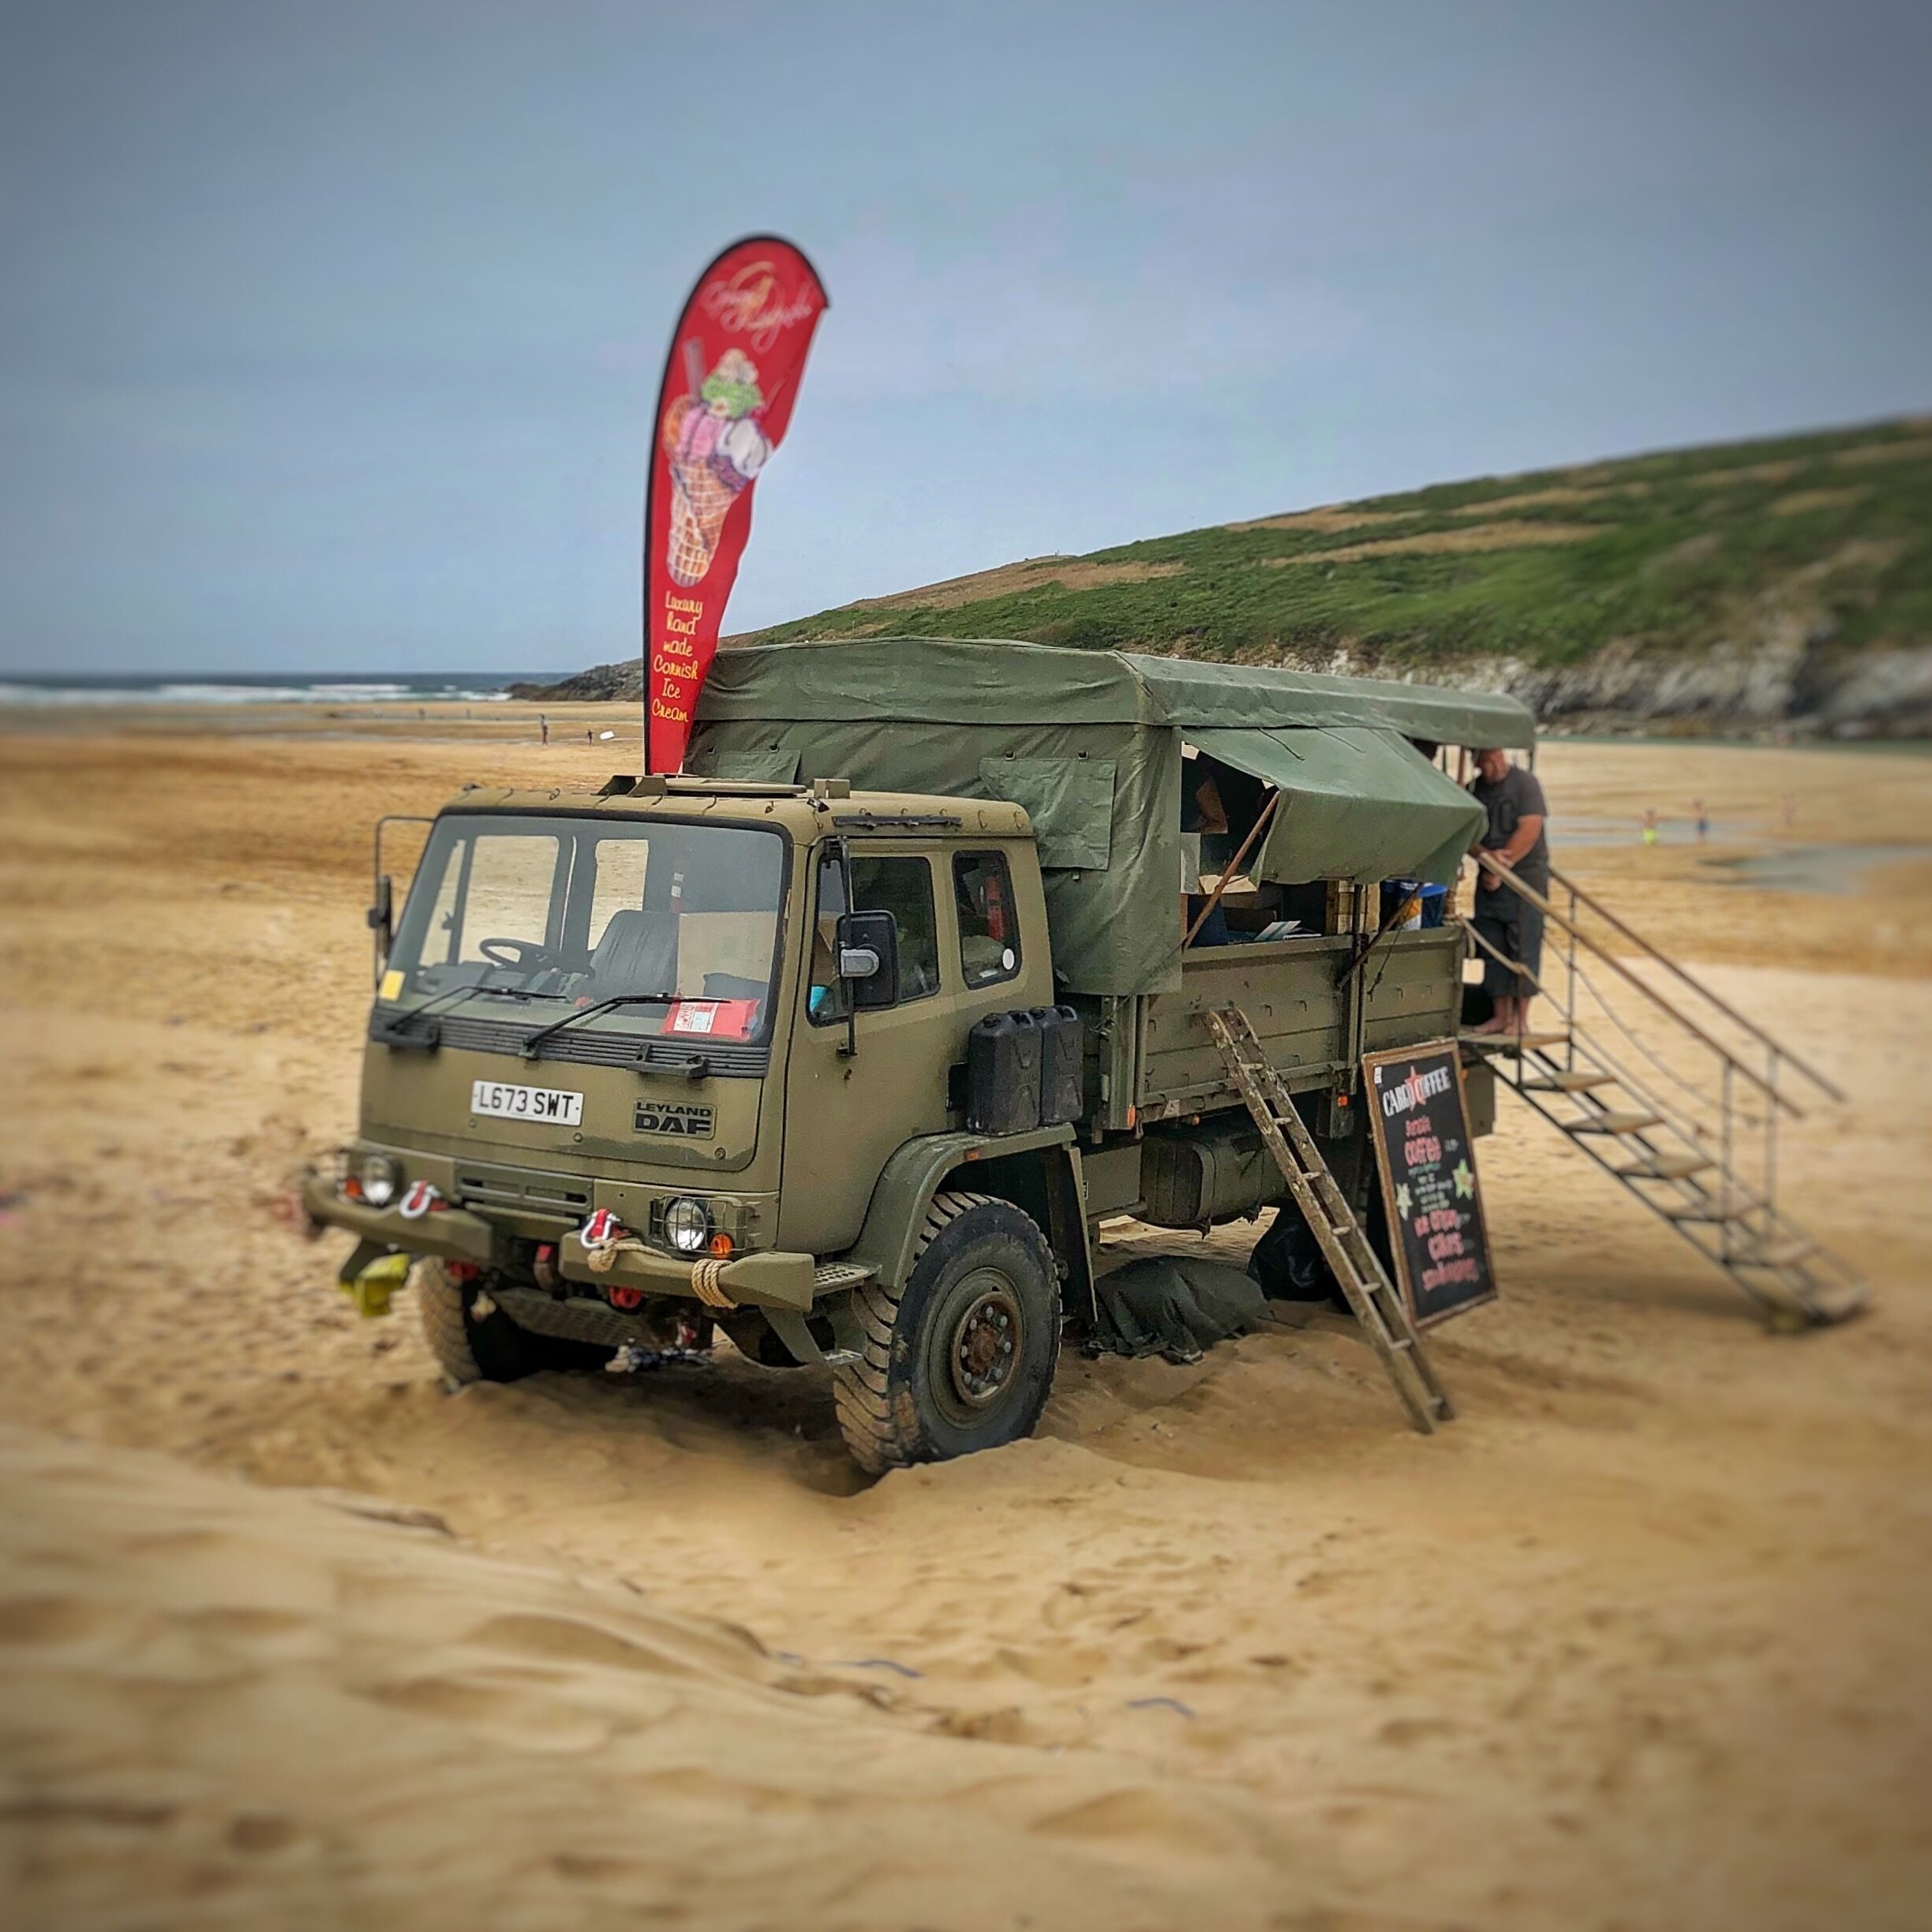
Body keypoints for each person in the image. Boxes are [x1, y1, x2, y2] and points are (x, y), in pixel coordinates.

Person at [1466, 747, 1549, 1036]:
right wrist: (1487, 859)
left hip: (1525, 880)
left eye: (1487, 762)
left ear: (1499, 756)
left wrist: (1504, 865)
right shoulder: (1474, 789)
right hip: (1490, 876)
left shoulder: (1526, 784)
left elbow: (1531, 828)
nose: (1485, 769)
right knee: (1493, 945)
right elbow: (1467, 833)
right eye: (1480, 764)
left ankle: (1521, 1020)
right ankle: (1501, 1016)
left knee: (1524, 946)